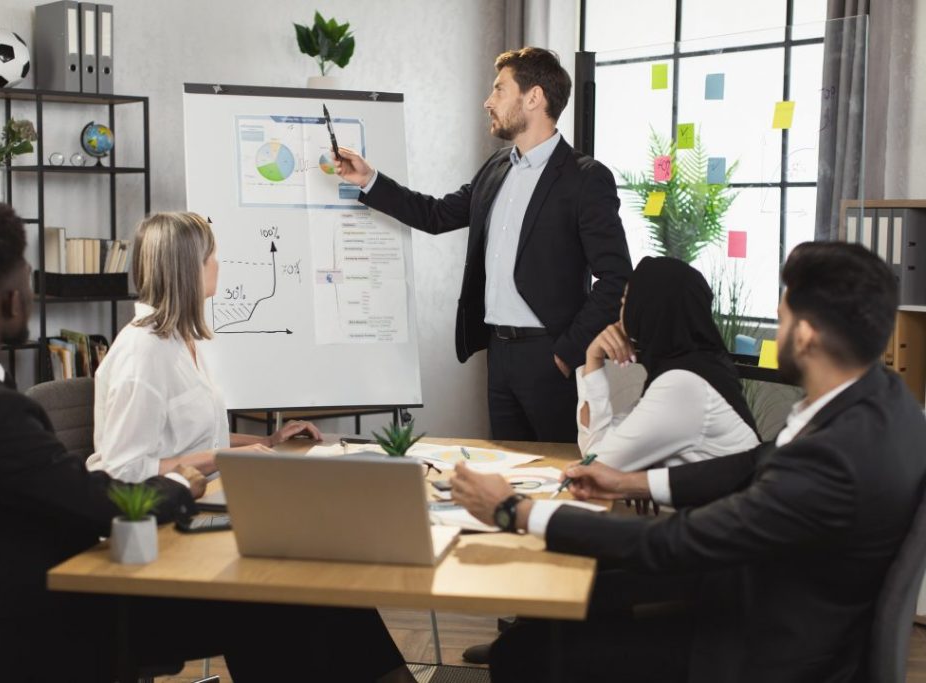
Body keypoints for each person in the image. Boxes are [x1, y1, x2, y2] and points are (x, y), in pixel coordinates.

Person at [0, 203, 413, 682]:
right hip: (72, 616)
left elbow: (67, 494)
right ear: (12, 299)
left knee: (300, 587)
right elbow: (101, 500)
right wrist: (179, 485)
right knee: (289, 592)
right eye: (28, 282)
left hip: (29, 603)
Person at [452, 241, 926, 682]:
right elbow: (750, 462)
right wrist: (629, 485)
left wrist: (516, 510)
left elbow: (677, 541)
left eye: (781, 321)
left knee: (525, 654)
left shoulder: (834, 459)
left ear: (803, 335)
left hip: (763, 649)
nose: (778, 332)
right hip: (773, 592)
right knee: (580, 598)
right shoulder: (877, 402)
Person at [334, 47, 632, 443]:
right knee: (509, 473)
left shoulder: (585, 178)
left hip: (550, 356)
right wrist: (370, 180)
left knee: (560, 473)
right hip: (499, 354)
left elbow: (616, 278)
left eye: (499, 90)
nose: (488, 101)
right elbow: (437, 215)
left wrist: (566, 352)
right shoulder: (496, 167)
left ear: (534, 97)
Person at [86, 211, 321, 482]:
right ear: (188, 268)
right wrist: (226, 458)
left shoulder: (182, 339)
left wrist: (269, 441)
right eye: (211, 256)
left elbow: (200, 441)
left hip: (206, 491)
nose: (217, 265)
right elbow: (123, 469)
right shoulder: (143, 353)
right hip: (165, 510)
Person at [576, 256, 760, 470]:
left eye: (626, 302)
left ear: (647, 310)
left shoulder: (683, 384)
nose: (620, 313)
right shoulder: (700, 367)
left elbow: (597, 462)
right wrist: (593, 356)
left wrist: (593, 358)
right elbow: (597, 452)